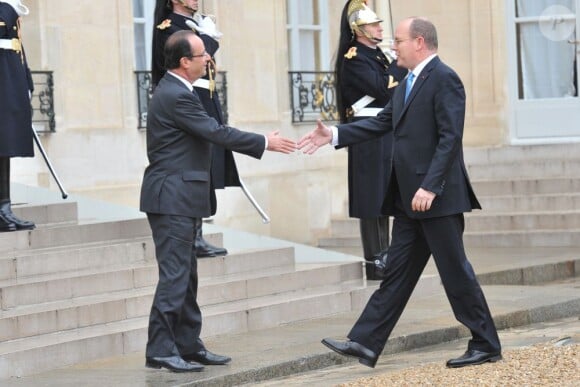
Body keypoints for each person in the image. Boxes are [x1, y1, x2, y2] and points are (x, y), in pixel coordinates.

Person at [298, 17, 502, 369]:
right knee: (397, 274)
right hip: (409, 199)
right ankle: (364, 342)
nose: (394, 47)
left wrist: (430, 186)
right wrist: (333, 135)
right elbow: (381, 122)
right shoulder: (408, 81)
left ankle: (485, 343)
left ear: (420, 42)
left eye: (399, 40)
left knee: (455, 272)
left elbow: (450, 139)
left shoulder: (445, 79)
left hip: (435, 198)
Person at [140, 30, 295, 372]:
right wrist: (263, 142)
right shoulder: (176, 96)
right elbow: (216, 132)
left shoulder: (180, 91)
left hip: (182, 196)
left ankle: (188, 344)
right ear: (184, 62)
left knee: (187, 276)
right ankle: (160, 349)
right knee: (175, 275)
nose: (208, 60)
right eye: (202, 56)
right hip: (172, 198)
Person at [152, 0, 236, 258]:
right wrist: (208, 38)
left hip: (204, 101)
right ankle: (194, 237)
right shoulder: (170, 28)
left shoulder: (193, 26)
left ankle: (198, 234)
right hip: (190, 103)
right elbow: (195, 59)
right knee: (196, 168)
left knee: (206, 168)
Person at [335, 0, 407, 280]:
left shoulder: (377, 56)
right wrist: (399, 66)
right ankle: (374, 258)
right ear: (360, 30)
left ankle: (385, 253)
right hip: (365, 129)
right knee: (369, 194)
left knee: (384, 192)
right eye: (374, 25)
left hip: (382, 127)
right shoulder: (354, 57)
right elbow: (382, 89)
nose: (380, 28)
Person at [0, 0, 35, 232]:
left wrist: (26, 82)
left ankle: (4, 207)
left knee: (5, 149)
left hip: (10, 81)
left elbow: (17, 48)